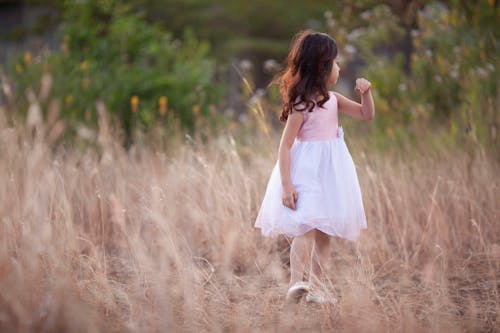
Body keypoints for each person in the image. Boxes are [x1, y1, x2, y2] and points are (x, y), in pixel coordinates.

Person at [254, 29, 375, 304]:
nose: (340, 67)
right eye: (335, 62)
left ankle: (317, 289)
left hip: (330, 174)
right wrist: (287, 185)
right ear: (322, 68)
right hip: (305, 172)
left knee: (324, 234)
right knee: (305, 228)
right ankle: (297, 284)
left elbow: (366, 115)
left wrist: (366, 93)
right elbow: (284, 146)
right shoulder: (301, 105)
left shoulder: (334, 100)